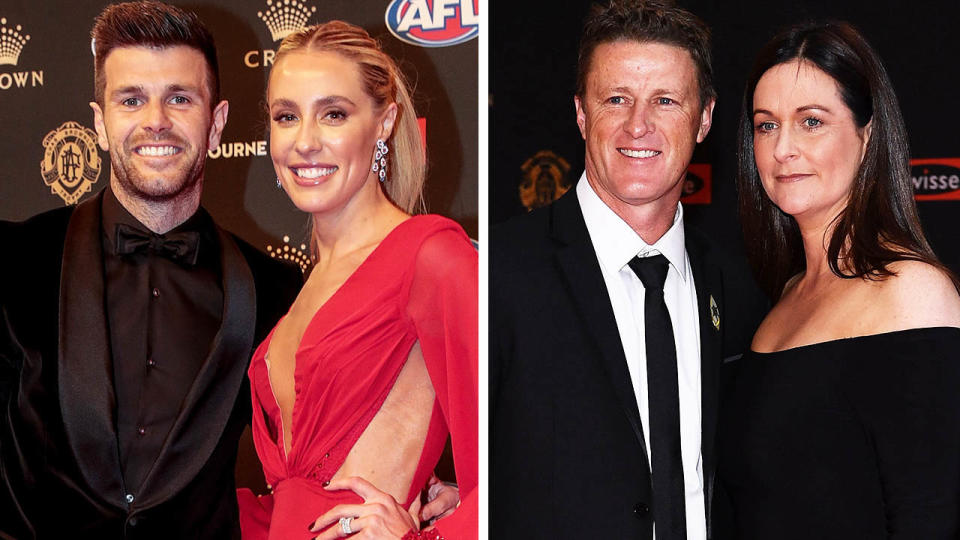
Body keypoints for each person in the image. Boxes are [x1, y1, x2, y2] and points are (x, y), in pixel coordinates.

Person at [0, 2, 303, 537]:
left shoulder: (275, 291)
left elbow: (321, 444)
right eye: (132, 99)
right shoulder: (14, 259)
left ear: (217, 123)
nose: (155, 120)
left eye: (180, 98)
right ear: (99, 122)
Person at [490, 0, 765, 538]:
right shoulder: (498, 275)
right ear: (580, 113)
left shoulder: (741, 289)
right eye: (616, 99)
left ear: (705, 117)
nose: (638, 125)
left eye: (665, 100)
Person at [716, 21, 960, 539]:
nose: (783, 148)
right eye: (766, 125)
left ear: (866, 134)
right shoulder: (782, 297)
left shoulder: (912, 292)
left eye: (811, 121)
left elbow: (930, 514)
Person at [234, 21, 477, 540]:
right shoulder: (307, 287)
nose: (304, 142)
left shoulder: (430, 256)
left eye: (334, 114)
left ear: (384, 122)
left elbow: (521, 450)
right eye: (286, 117)